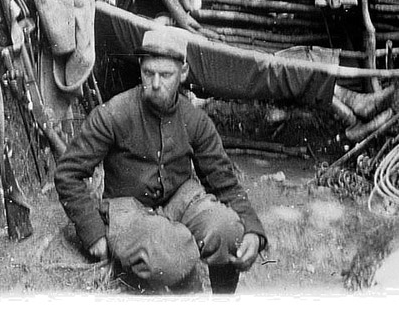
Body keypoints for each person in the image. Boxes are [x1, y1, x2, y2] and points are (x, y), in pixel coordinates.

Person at [55, 28, 267, 294]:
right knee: (171, 249)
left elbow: (224, 183)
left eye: (165, 75)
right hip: (130, 213)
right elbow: (68, 173)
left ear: (184, 72)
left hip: (181, 202)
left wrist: (253, 231)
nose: (155, 84)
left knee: (227, 231)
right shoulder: (113, 114)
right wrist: (93, 232)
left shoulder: (195, 121)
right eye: (148, 73)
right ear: (141, 68)